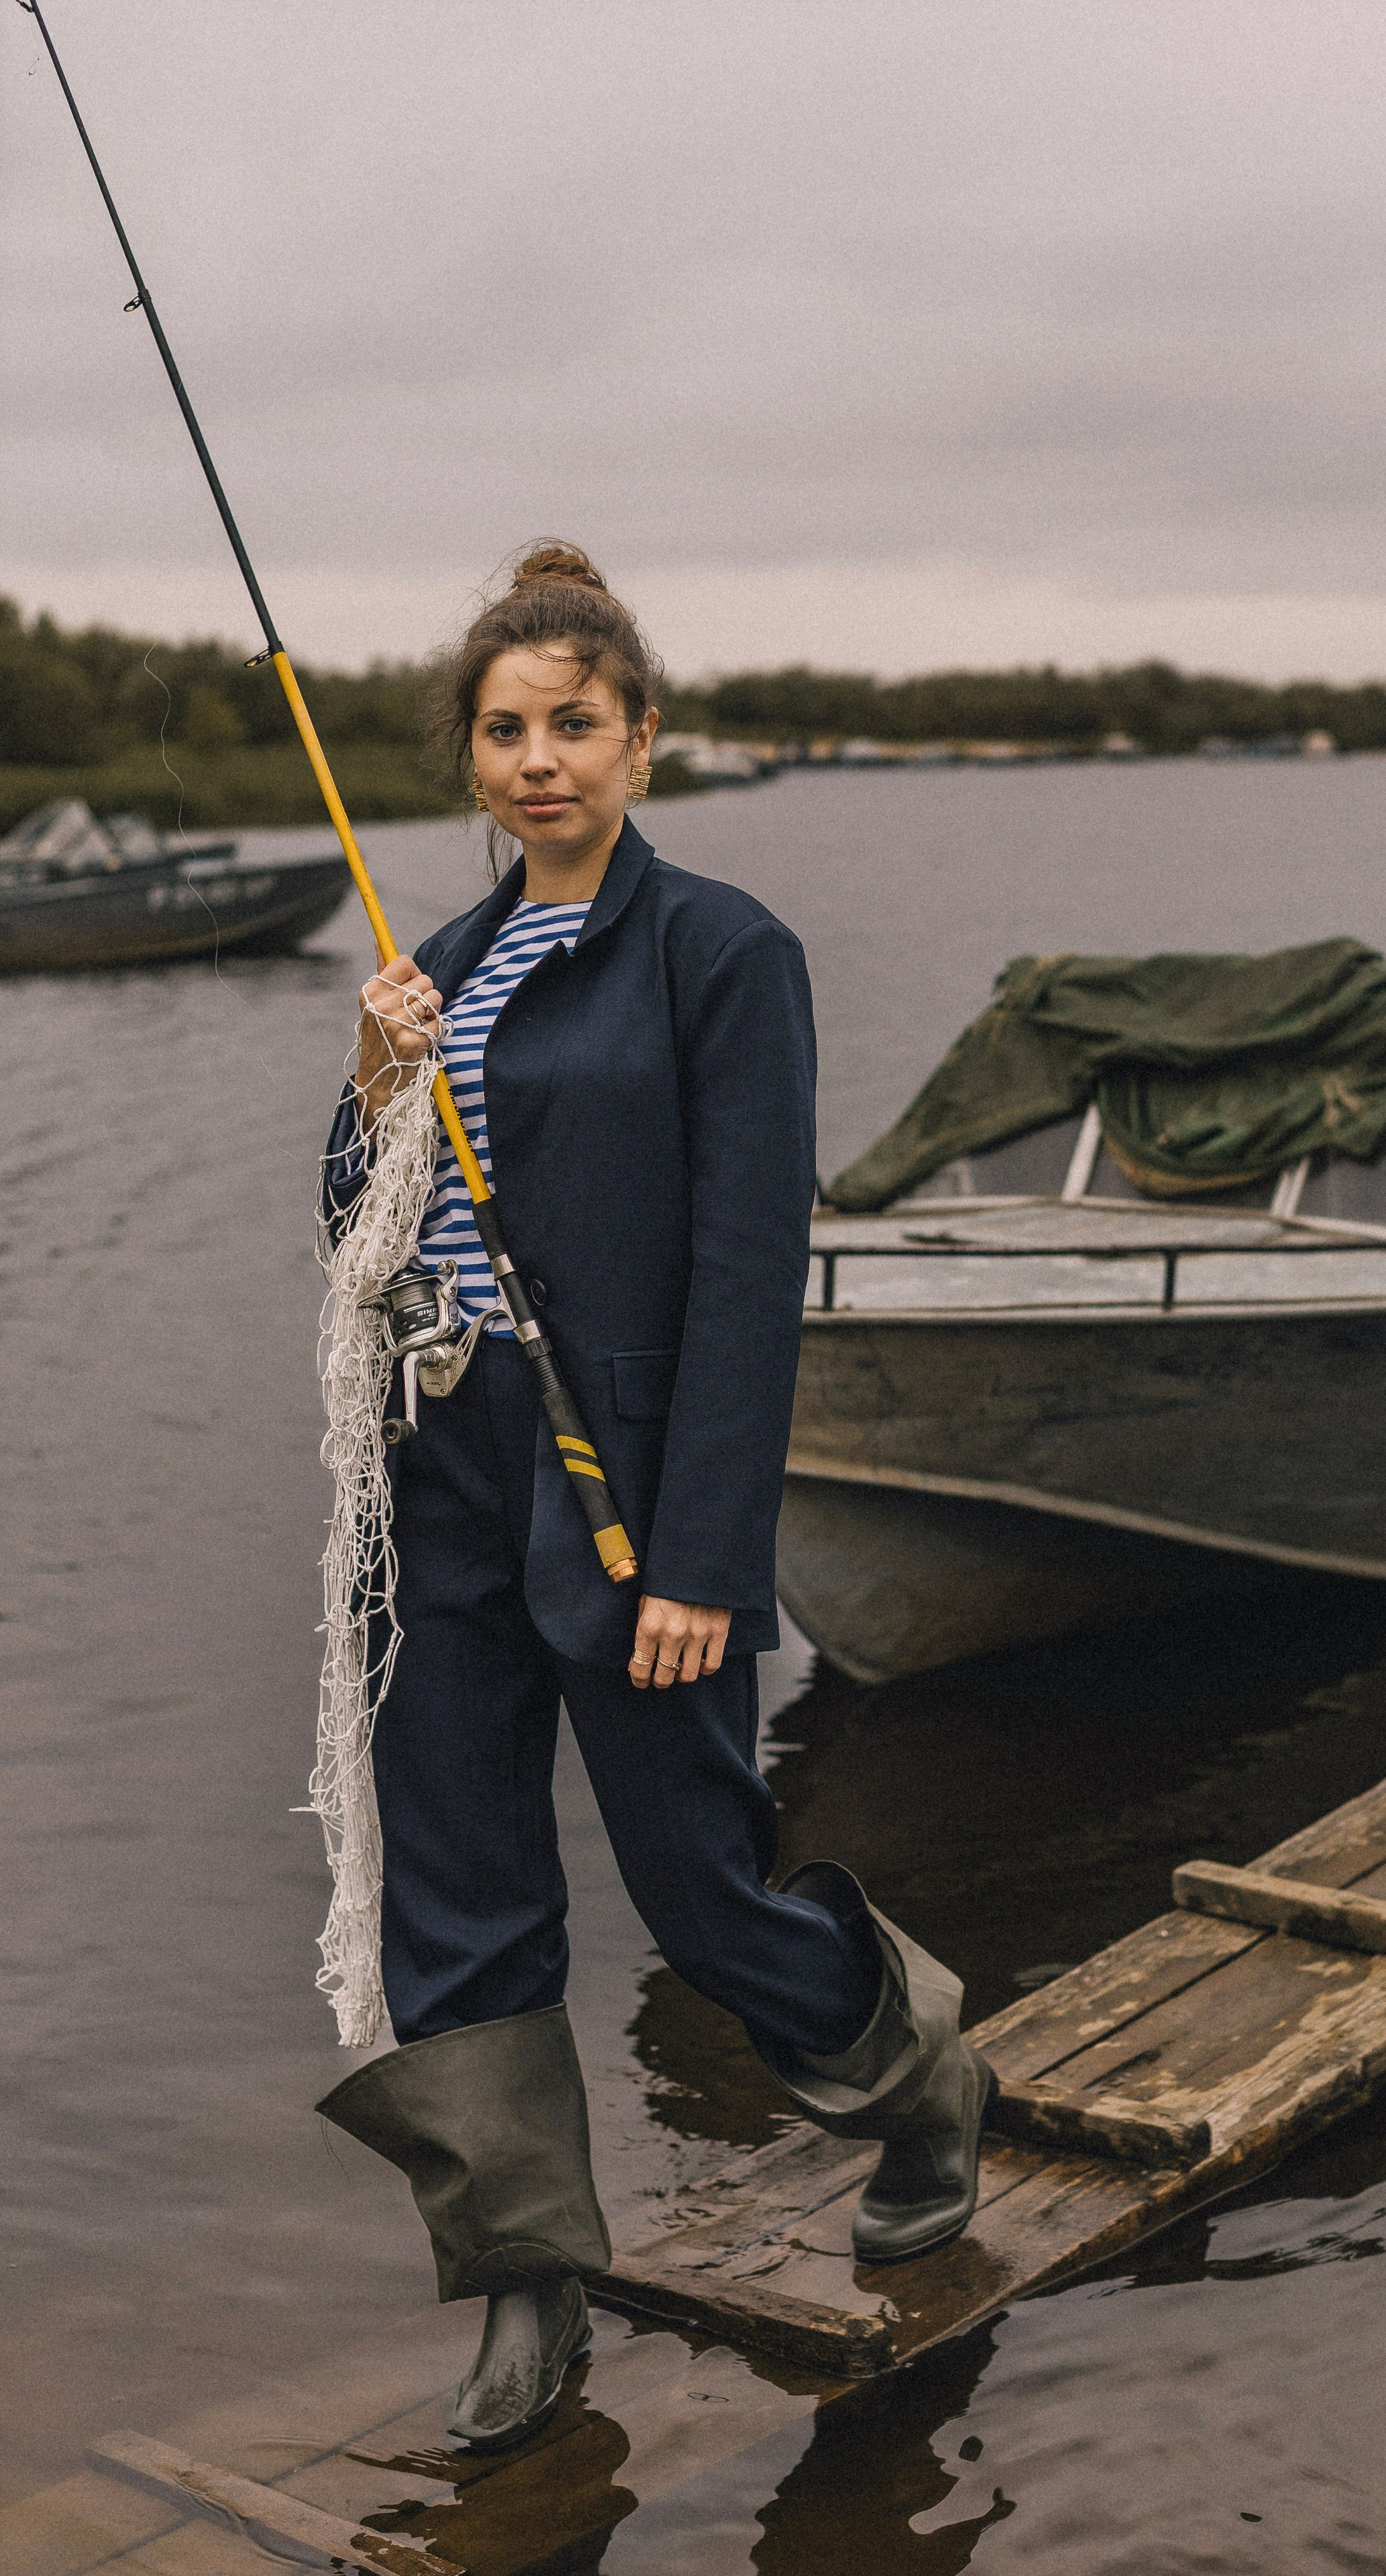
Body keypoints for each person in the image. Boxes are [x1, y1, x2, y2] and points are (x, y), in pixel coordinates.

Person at [313, 545, 994, 2451]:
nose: (542, 761)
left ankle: (916, 2083)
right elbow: (356, 1239)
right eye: (508, 730)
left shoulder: (718, 948)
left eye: (576, 727)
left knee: (700, 1885)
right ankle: (530, 2289)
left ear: (641, 738)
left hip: (611, 1492)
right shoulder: (430, 969)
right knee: (460, 1904)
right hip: (427, 1481)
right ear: (470, 756)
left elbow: (743, 1263)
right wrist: (371, 1091)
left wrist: (703, 1552)